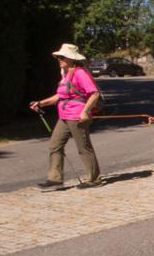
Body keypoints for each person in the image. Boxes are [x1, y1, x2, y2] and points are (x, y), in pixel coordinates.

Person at [30, 43, 103, 189]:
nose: (59, 59)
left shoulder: (80, 73)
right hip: (64, 116)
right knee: (54, 145)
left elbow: (94, 94)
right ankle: (55, 178)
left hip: (77, 116)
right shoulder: (65, 74)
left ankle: (93, 178)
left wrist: (84, 112)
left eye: (62, 57)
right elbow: (60, 96)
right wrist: (40, 103)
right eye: (58, 57)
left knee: (83, 147)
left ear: (71, 58)